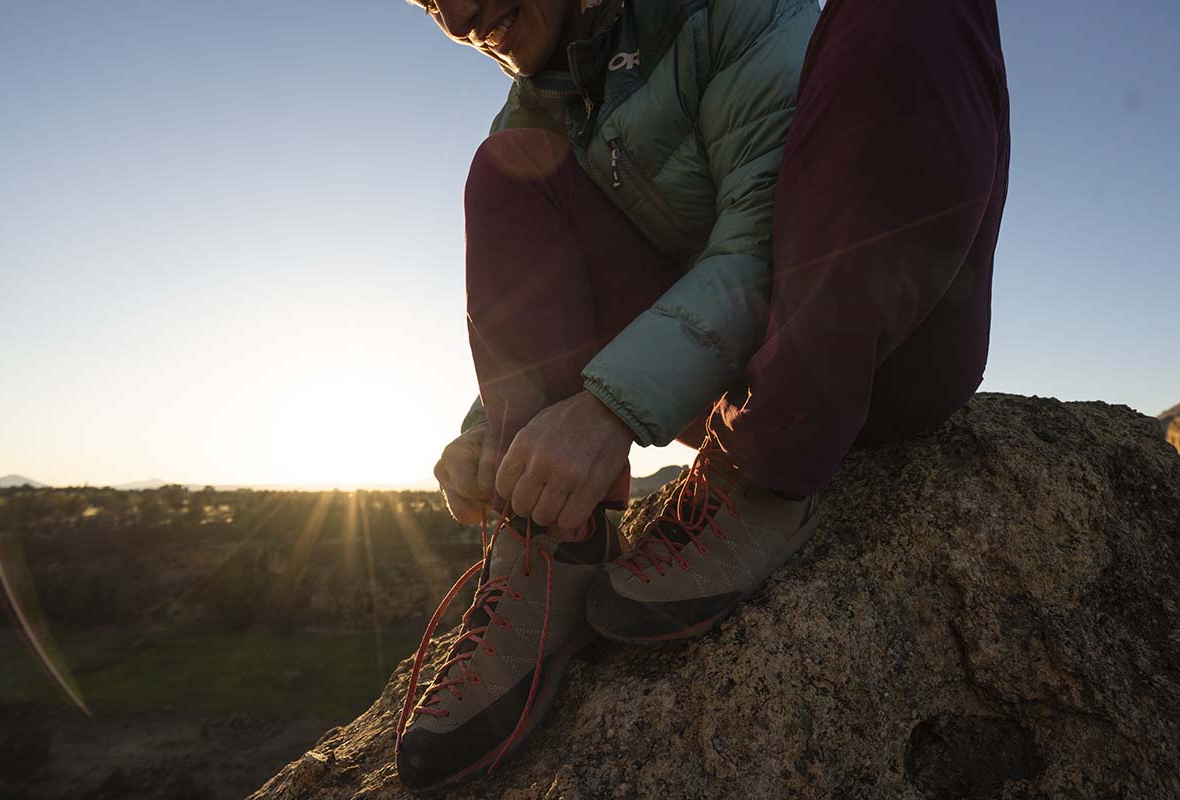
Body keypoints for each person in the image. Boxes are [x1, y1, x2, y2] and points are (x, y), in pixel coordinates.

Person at [394, 0, 1010, 792]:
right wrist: (494, 434)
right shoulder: (537, 106)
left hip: (890, 349)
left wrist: (608, 409)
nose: (461, 12)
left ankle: (765, 472)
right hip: (714, 382)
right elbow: (539, 306)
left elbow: (766, 235)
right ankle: (549, 547)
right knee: (509, 170)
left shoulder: (723, 10)